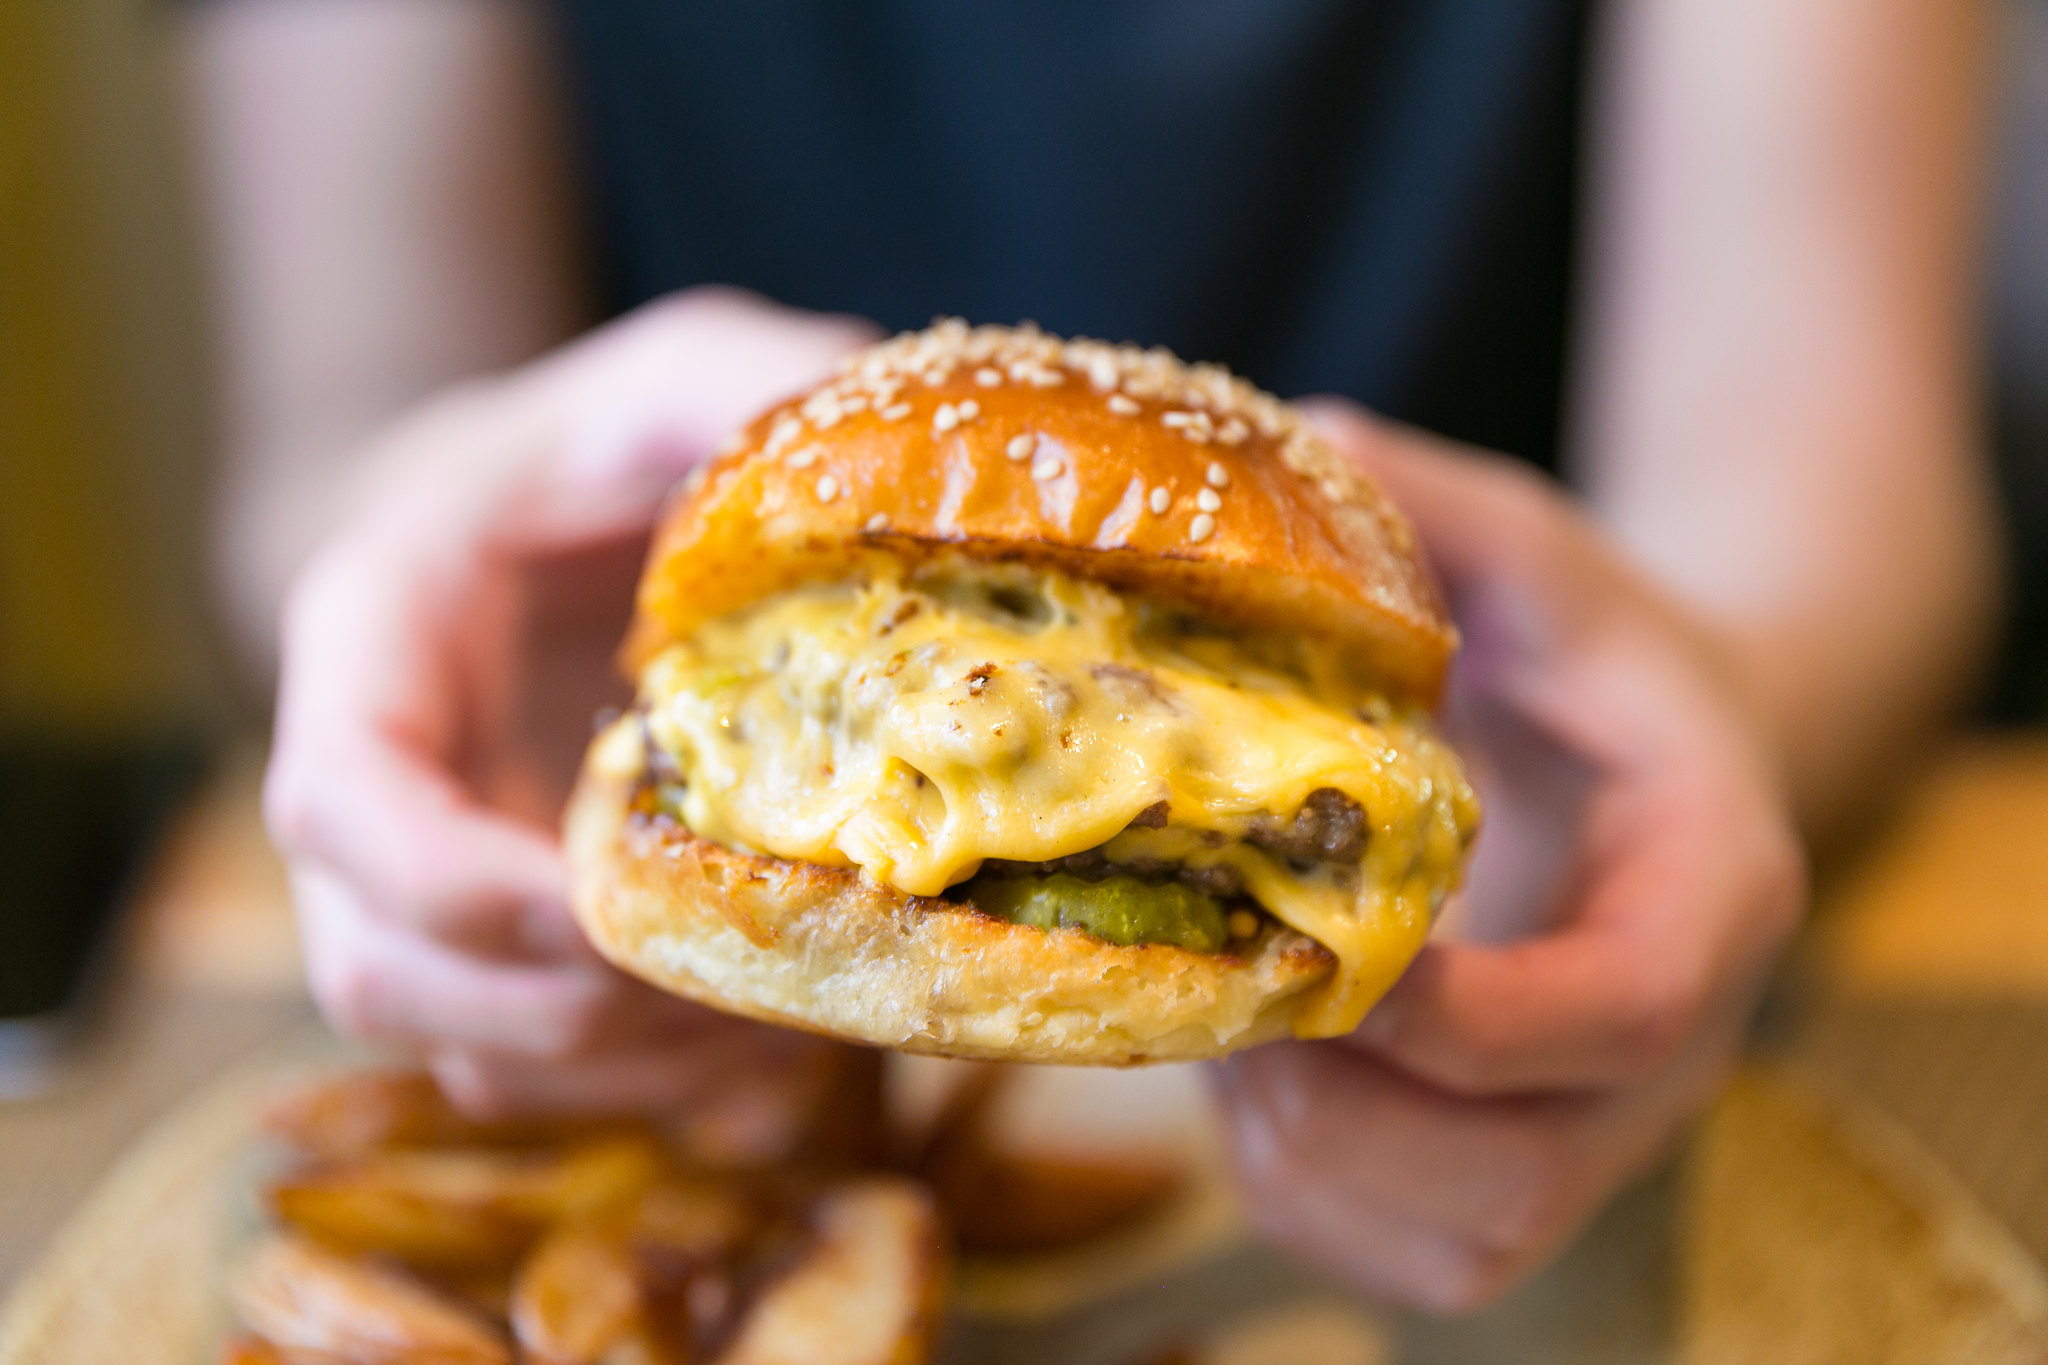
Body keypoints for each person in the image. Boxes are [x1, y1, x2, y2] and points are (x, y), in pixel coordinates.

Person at [181, 0, 2000, 1310]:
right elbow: (331, 412)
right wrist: (392, 524)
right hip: (669, 645)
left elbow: (1828, 456)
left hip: (1522, 773)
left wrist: (1726, 694)